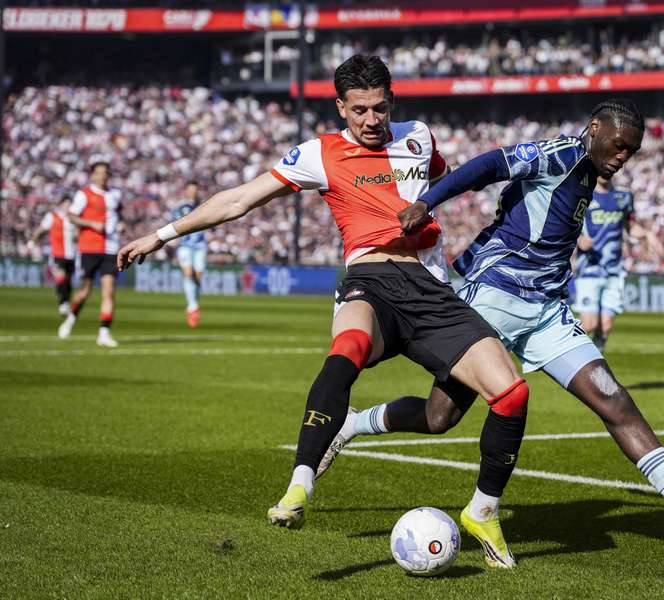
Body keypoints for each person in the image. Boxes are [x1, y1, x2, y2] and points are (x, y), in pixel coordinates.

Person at [117, 55, 528, 569]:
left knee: (509, 395)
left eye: (379, 108)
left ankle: (484, 511)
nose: (371, 120)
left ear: (391, 103)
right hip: (371, 281)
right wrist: (160, 235)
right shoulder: (318, 153)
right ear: (341, 108)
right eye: (359, 111)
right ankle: (299, 486)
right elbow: (240, 199)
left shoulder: (419, 137)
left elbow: (445, 180)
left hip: (431, 291)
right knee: (348, 348)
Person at [319, 99, 664, 546]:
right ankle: (353, 424)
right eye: (620, 145)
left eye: (632, 151)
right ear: (595, 128)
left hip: (547, 310)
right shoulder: (559, 155)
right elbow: (490, 164)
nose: (623, 157)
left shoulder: (590, 173)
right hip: (494, 295)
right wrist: (428, 201)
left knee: (615, 401)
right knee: (439, 416)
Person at [573, 178, 664, 351]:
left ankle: (593, 367)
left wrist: (647, 234)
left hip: (615, 270)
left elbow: (630, 226)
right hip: (590, 269)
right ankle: (560, 342)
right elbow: (568, 223)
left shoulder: (624, 196)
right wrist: (578, 239)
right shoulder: (584, 194)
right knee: (589, 324)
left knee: (605, 327)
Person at [58, 162, 123, 347]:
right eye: (99, 173)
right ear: (92, 176)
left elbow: (120, 214)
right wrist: (91, 224)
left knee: (108, 291)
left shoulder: (115, 194)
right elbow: (71, 215)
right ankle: (71, 318)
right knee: (84, 291)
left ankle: (104, 332)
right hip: (89, 248)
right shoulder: (83, 194)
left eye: (105, 173)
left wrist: (121, 224)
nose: (103, 176)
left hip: (111, 249)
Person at [32, 195, 78, 316]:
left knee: (67, 281)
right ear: (61, 204)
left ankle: (65, 299)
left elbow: (77, 236)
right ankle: (63, 304)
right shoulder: (52, 216)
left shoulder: (74, 218)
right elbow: (41, 230)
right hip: (58, 254)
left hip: (72, 255)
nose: (68, 207)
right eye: (66, 204)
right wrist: (33, 241)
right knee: (61, 277)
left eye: (70, 204)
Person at [171, 181, 207, 327]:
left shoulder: (203, 205)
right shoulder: (180, 206)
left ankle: (194, 303)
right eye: (190, 189)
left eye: (195, 189)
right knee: (188, 273)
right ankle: (192, 307)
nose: (193, 192)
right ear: (186, 191)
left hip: (200, 245)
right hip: (185, 246)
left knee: (198, 276)